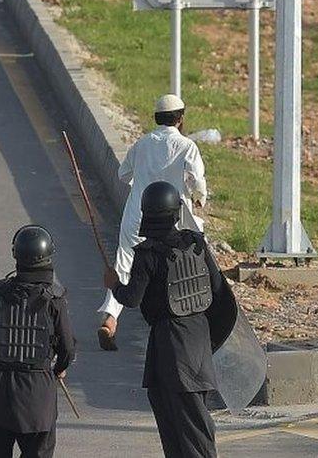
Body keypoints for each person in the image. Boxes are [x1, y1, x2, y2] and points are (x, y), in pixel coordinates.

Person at [104, 181, 235, 458]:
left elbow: (131, 299)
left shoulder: (147, 253)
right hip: (198, 340)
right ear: (176, 212)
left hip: (170, 345)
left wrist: (114, 284)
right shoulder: (196, 244)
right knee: (193, 426)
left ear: (146, 214)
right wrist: (209, 341)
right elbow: (220, 293)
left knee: (184, 431)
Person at [98, 93, 208, 350]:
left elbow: (123, 175)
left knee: (123, 265)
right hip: (171, 218)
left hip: (138, 214)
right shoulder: (187, 146)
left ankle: (110, 320)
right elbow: (197, 181)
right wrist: (199, 197)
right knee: (180, 266)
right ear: (180, 118)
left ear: (156, 118)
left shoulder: (142, 144)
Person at [0, 225, 76, 458]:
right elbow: (67, 348)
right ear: (48, 256)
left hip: (1, 390)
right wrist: (58, 371)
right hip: (38, 394)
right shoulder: (55, 299)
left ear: (16, 255)